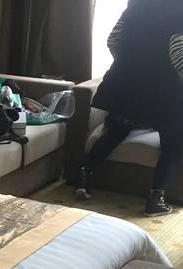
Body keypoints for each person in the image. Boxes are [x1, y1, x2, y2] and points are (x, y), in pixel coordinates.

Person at [75, 0, 183, 216]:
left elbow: (113, 40)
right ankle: (156, 198)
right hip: (163, 89)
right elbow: (178, 53)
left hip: (125, 83)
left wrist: (130, 63)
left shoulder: (137, 5)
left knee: (117, 128)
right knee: (173, 143)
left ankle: (83, 176)